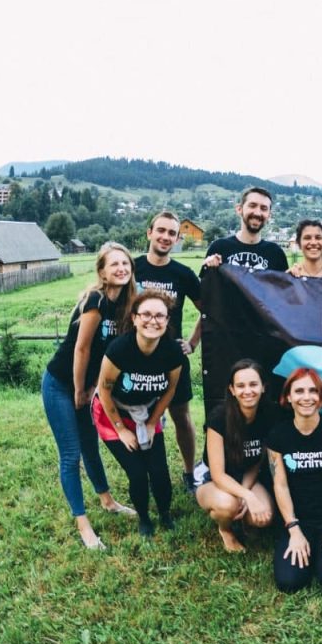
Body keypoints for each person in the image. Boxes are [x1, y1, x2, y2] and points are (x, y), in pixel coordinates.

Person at [42, 242, 137, 549]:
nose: (121, 268)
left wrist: (93, 388)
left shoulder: (125, 305)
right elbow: (82, 349)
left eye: (125, 263)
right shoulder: (95, 300)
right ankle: (83, 524)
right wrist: (80, 389)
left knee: (90, 447)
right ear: (102, 272)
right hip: (60, 383)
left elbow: (109, 356)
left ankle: (108, 502)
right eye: (114, 264)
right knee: (70, 453)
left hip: (85, 385)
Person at [93, 290, 185, 537]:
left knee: (159, 471)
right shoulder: (119, 349)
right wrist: (121, 429)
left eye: (159, 316)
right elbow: (104, 388)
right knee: (137, 473)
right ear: (134, 318)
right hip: (113, 412)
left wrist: (153, 421)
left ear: (167, 321)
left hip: (146, 413)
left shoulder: (172, 352)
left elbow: (171, 389)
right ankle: (144, 518)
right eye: (145, 314)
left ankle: (165, 514)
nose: (152, 321)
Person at [267, 368, 322, 594]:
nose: (307, 397)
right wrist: (294, 530)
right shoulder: (277, 436)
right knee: (289, 583)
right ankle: (304, 547)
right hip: (296, 521)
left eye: (313, 391)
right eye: (299, 391)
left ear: (321, 397)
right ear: (288, 397)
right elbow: (280, 485)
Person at [134, 211, 202, 493]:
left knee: (181, 417)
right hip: (137, 357)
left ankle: (189, 473)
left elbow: (208, 311)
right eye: (160, 231)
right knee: (140, 418)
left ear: (177, 239)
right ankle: (146, 473)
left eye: (171, 233)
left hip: (173, 359)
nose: (165, 237)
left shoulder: (183, 274)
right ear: (149, 232)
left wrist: (193, 343)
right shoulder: (133, 268)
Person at [194, 359, 278, 552]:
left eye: (253, 384)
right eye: (240, 386)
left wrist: (245, 493)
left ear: (263, 387)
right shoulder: (218, 418)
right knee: (227, 505)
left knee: (264, 518)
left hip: (247, 476)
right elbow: (218, 474)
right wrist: (248, 496)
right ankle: (225, 529)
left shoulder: (270, 416)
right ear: (232, 390)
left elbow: (256, 464)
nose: (247, 391)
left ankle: (243, 520)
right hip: (213, 479)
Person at [203, 186, 289, 272]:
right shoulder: (219, 248)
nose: (257, 213)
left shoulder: (276, 253)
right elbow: (207, 284)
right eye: (252, 206)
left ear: (269, 215)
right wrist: (207, 266)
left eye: (264, 208)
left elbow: (284, 284)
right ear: (239, 209)